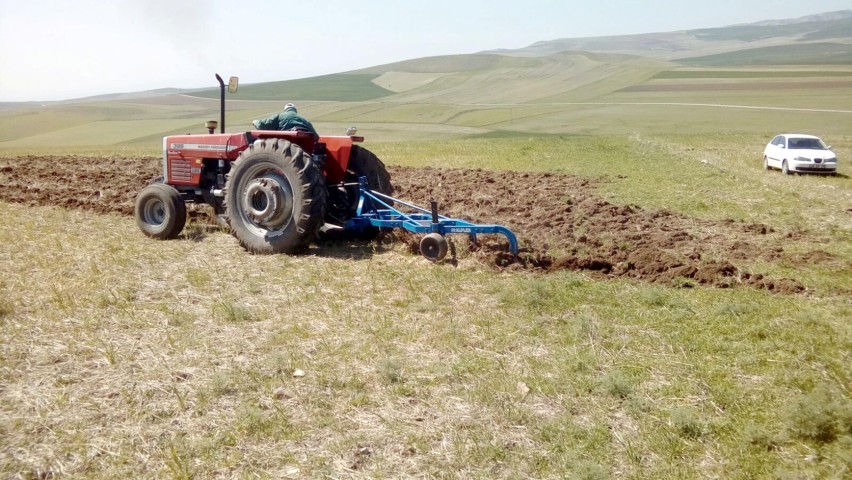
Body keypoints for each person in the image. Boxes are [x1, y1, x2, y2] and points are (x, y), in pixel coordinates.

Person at [252, 103, 318, 138]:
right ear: (295, 110)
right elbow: (316, 137)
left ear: (285, 110)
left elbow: (263, 125)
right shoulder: (304, 120)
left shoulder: (279, 116)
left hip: (283, 145)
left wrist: (255, 122)